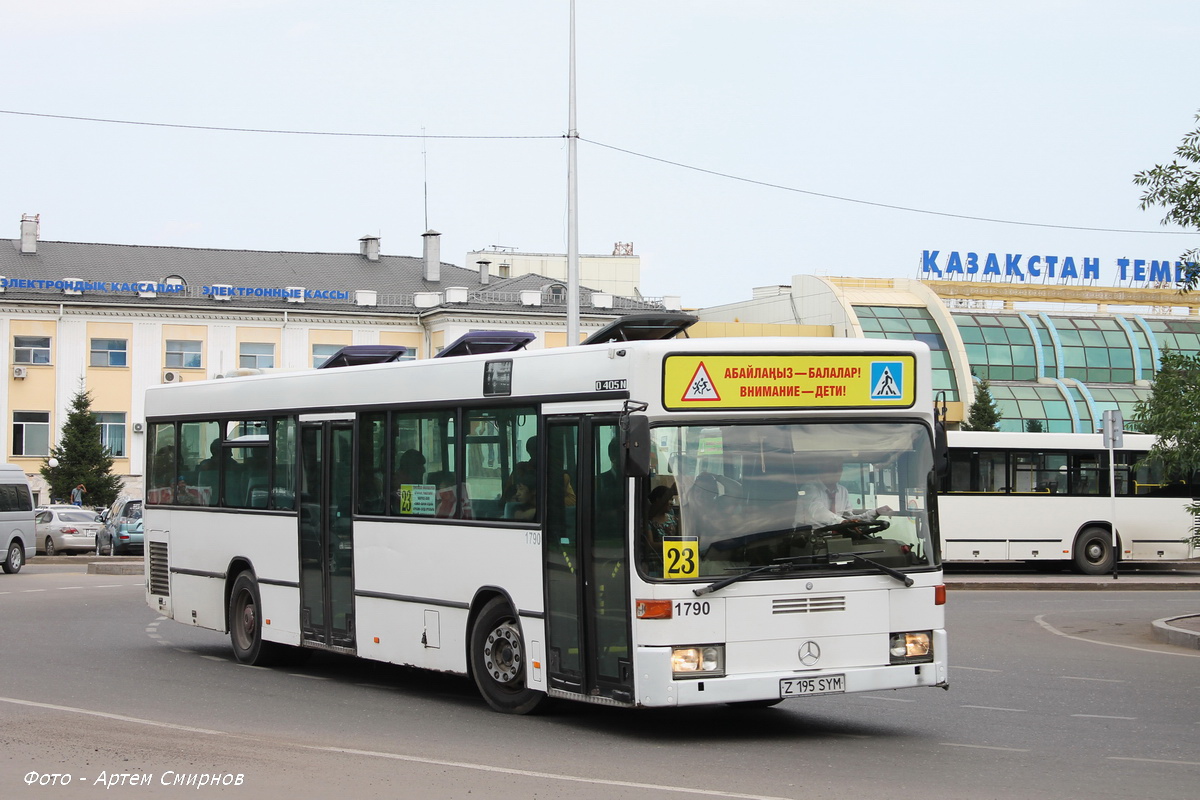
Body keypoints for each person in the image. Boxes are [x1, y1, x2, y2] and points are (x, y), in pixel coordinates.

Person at [796, 455, 892, 529]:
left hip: (834, 538)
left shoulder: (842, 491)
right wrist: (841, 522)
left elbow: (849, 519)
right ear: (822, 469)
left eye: (840, 468)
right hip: (808, 539)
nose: (837, 471)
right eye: (832, 468)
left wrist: (876, 512)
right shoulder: (809, 488)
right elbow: (817, 511)